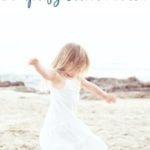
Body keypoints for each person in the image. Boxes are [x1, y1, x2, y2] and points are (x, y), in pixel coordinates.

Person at [28, 42, 116, 150]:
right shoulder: (58, 77)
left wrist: (104, 95)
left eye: (82, 67)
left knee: (86, 142)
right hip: (57, 121)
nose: (79, 70)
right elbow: (46, 74)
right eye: (77, 66)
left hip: (70, 120)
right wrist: (37, 65)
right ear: (66, 62)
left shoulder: (77, 78)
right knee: (61, 144)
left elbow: (91, 87)